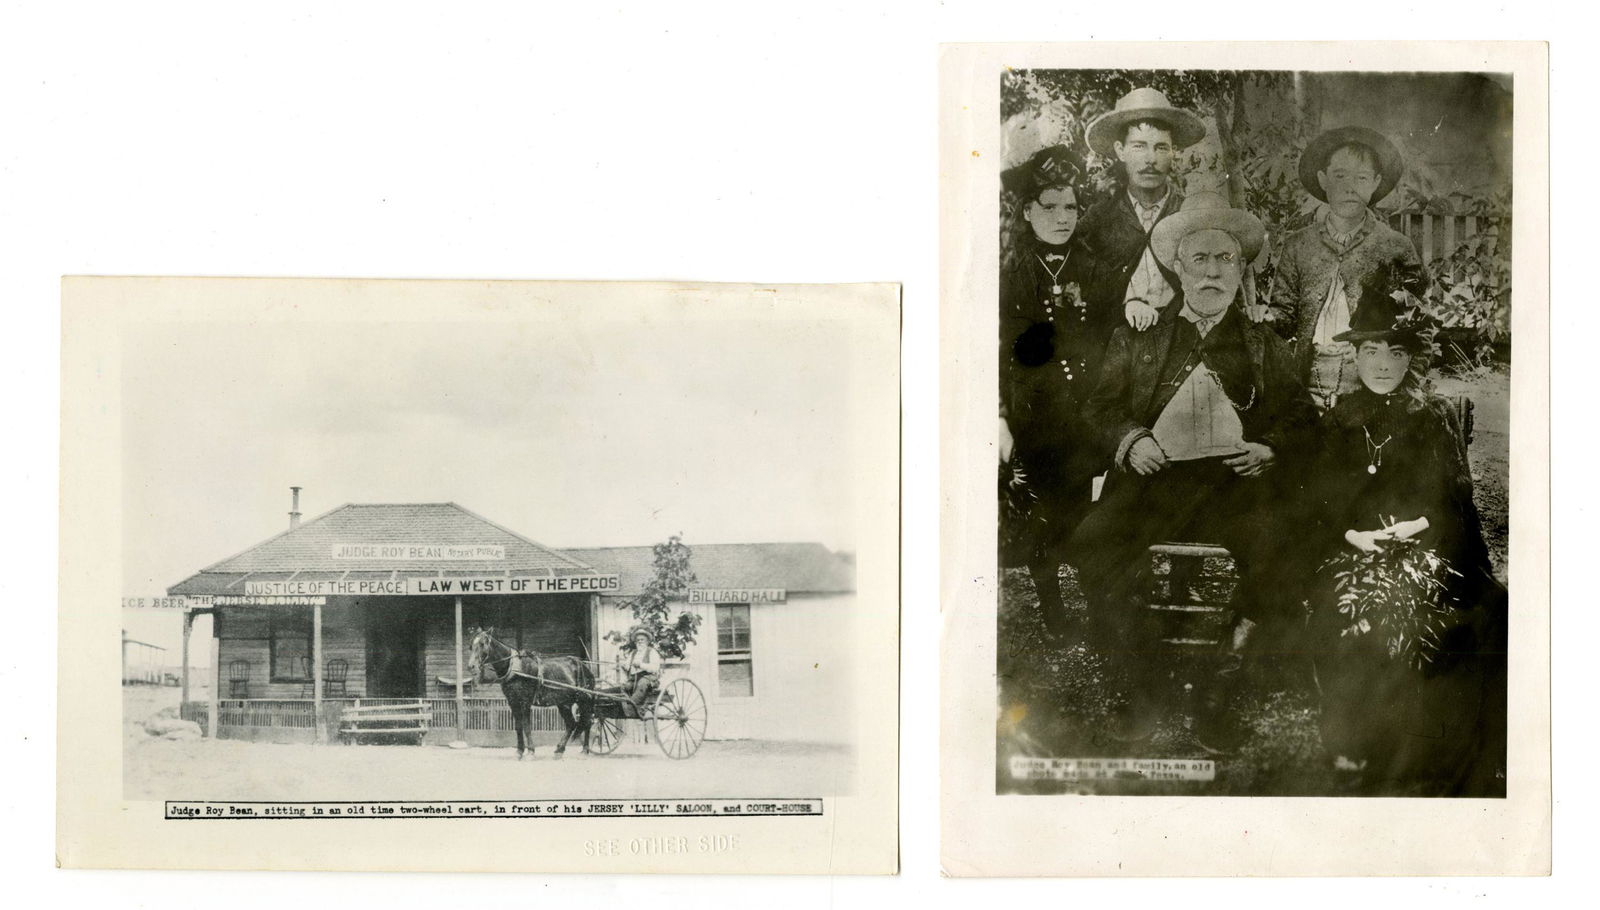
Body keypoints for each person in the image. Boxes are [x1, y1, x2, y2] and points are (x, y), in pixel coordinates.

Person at [1069, 192, 1318, 751]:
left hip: (1238, 486)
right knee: (1093, 542)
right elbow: (1099, 409)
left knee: (1285, 546)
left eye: (1224, 260)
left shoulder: (1262, 343)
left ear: (1240, 271)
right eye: (1199, 259)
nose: (1211, 272)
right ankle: (1142, 678)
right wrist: (1131, 441)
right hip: (1154, 484)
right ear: (1177, 268)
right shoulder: (1141, 338)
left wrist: (1269, 449)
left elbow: (1302, 417)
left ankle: (1222, 684)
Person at [1300, 270, 1506, 795]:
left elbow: (1448, 502)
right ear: (1356, 356)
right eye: (1371, 352)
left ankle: (1437, 752)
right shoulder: (1341, 417)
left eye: (1395, 352)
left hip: (1424, 545)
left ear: (1412, 358)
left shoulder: (1431, 415)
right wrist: (1355, 538)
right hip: (1355, 550)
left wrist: (1412, 529)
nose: (1383, 365)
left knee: (1471, 610)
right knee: (1347, 611)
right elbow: (1320, 504)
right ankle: (1358, 743)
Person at [998, 146, 1112, 638]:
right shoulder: (1012, 273)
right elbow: (1003, 350)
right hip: (1037, 414)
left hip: (1087, 412)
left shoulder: (1094, 267)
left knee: (1087, 510)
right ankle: (1053, 611)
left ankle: (1097, 599)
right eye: (1050, 207)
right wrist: (1001, 416)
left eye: (1071, 208)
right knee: (1045, 513)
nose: (1063, 218)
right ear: (1028, 211)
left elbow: (1110, 337)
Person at [1268, 126, 1428, 411]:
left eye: (1362, 178)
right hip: (1309, 381)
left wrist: (1407, 388)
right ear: (1323, 180)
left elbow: (1420, 328)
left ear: (1376, 183)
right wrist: (1263, 317)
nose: (1350, 186)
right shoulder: (1298, 245)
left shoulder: (1395, 246)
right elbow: (1283, 317)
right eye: (1340, 176)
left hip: (1371, 386)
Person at [1077, 87, 1206, 334]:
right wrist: (1125, 302)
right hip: (1114, 342)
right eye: (1139, 146)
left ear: (1173, 152)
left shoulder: (1189, 214)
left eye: (1160, 147)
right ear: (1120, 150)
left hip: (1179, 341)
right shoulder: (1101, 216)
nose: (1150, 159)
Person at [619, 626, 661, 712]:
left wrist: (641, 665)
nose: (640, 642)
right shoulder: (633, 653)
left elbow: (655, 668)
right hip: (634, 678)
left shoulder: (652, 652)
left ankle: (631, 707)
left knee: (642, 683)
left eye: (642, 639)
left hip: (649, 678)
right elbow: (628, 666)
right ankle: (624, 705)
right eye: (638, 640)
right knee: (624, 687)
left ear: (647, 641)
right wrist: (624, 665)